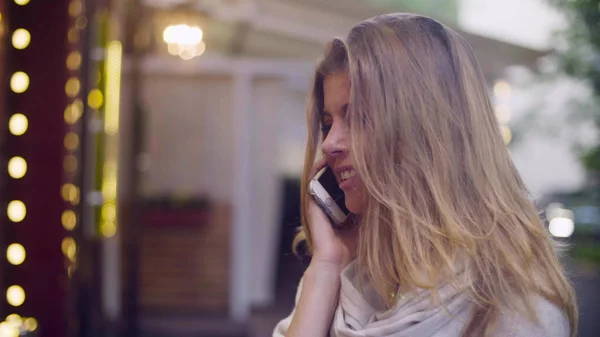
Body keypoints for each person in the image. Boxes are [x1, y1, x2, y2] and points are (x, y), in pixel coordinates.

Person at [272, 13, 578, 337]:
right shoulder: (347, 275)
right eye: (327, 124)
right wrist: (327, 265)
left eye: (360, 117)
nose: (329, 144)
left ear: (427, 131)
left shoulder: (513, 307)